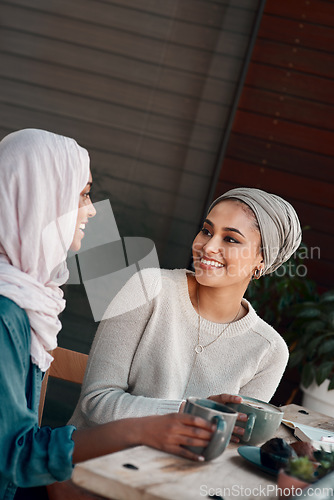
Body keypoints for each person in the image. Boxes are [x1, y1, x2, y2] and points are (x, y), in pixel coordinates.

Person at [0, 129, 219, 500]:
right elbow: (14, 456)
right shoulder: (8, 313)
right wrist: (141, 430)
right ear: (39, 199)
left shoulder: (30, 297)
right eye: (82, 194)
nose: (92, 209)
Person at [69, 186, 302, 429]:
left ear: (262, 260)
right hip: (94, 460)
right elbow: (96, 403)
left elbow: (232, 439)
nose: (208, 247)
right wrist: (186, 412)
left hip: (183, 467)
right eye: (206, 231)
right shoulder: (147, 288)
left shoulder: (268, 350)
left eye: (230, 239)